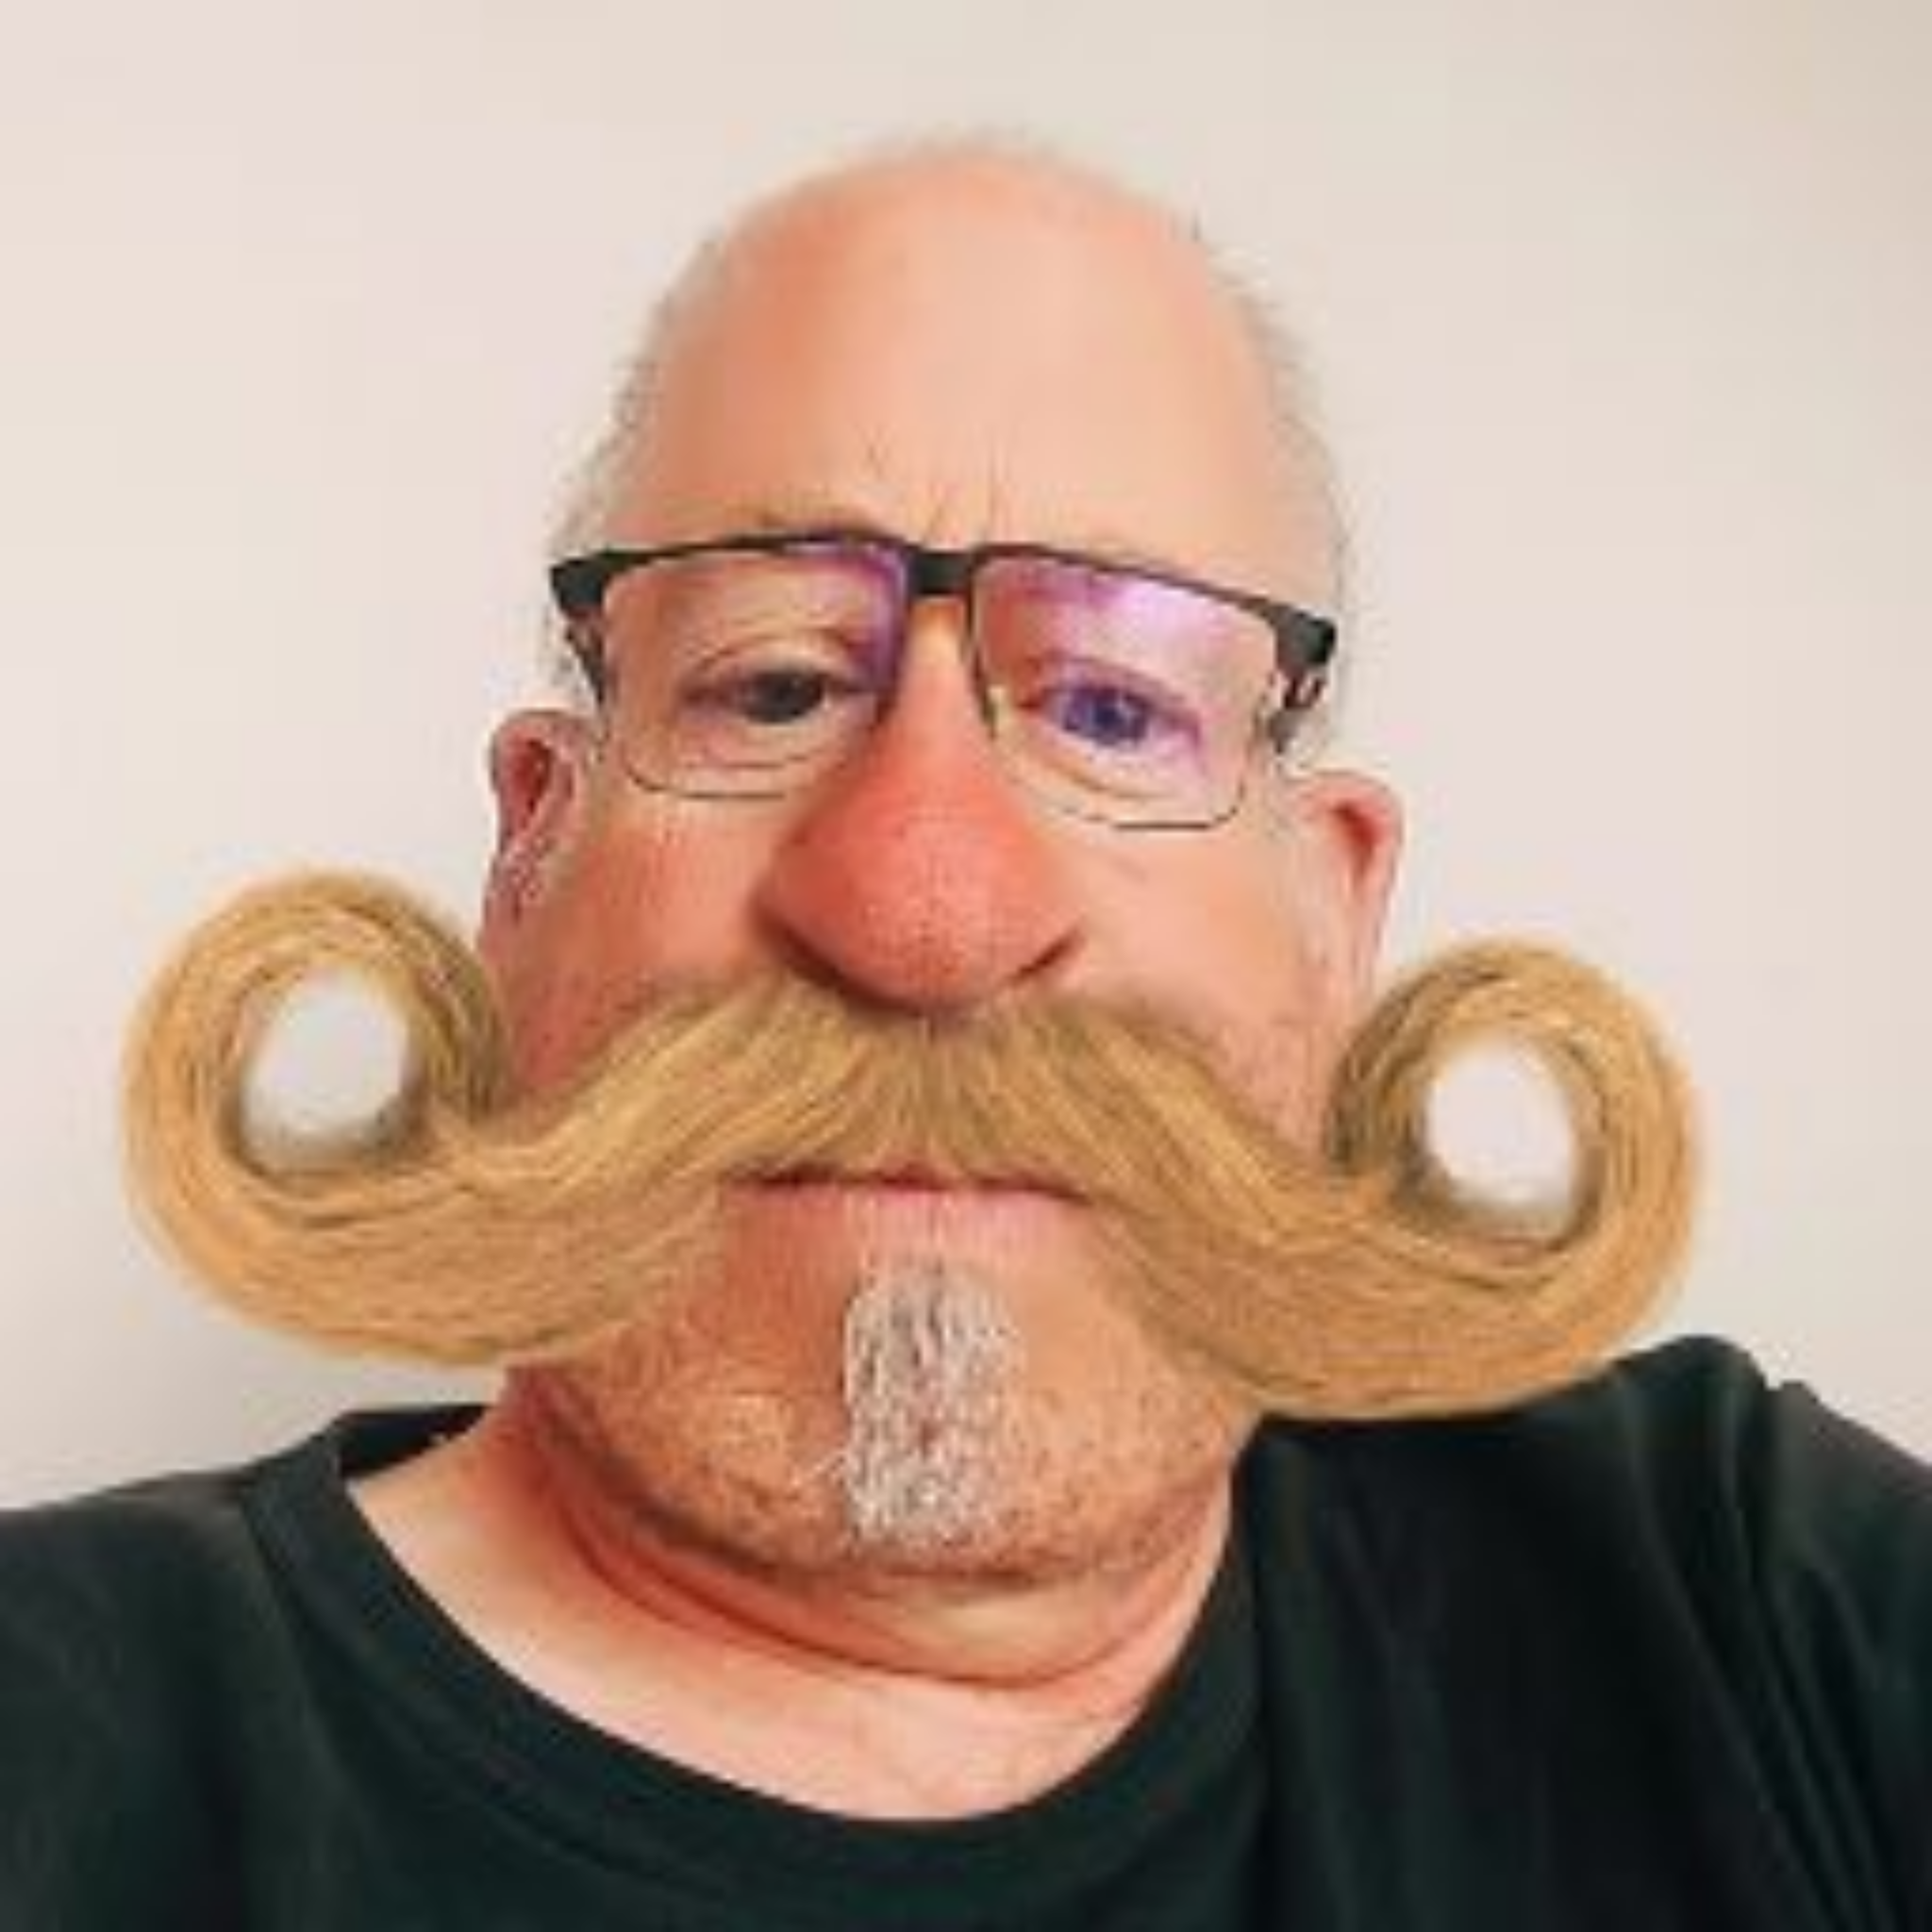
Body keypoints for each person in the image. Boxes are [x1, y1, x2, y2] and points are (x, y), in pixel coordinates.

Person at [2, 139, 1926, 1930]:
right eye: (772, 685)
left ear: (1337, 912)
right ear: (531, 852)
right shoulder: (58, 1748)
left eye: (1110, 710)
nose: (924, 912)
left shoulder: (1751, 1609)